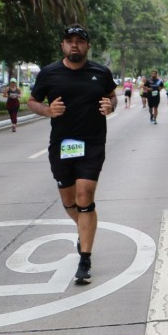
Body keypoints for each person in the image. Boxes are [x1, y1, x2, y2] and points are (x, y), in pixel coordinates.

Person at [26, 25, 117, 285]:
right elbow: (32, 101)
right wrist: (47, 111)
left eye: (79, 41)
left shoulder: (100, 72)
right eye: (69, 40)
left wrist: (110, 105)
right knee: (69, 200)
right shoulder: (49, 73)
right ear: (63, 45)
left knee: (84, 195)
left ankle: (84, 259)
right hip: (62, 144)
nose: (74, 45)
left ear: (87, 46)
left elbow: (112, 96)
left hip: (92, 143)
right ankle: (83, 228)